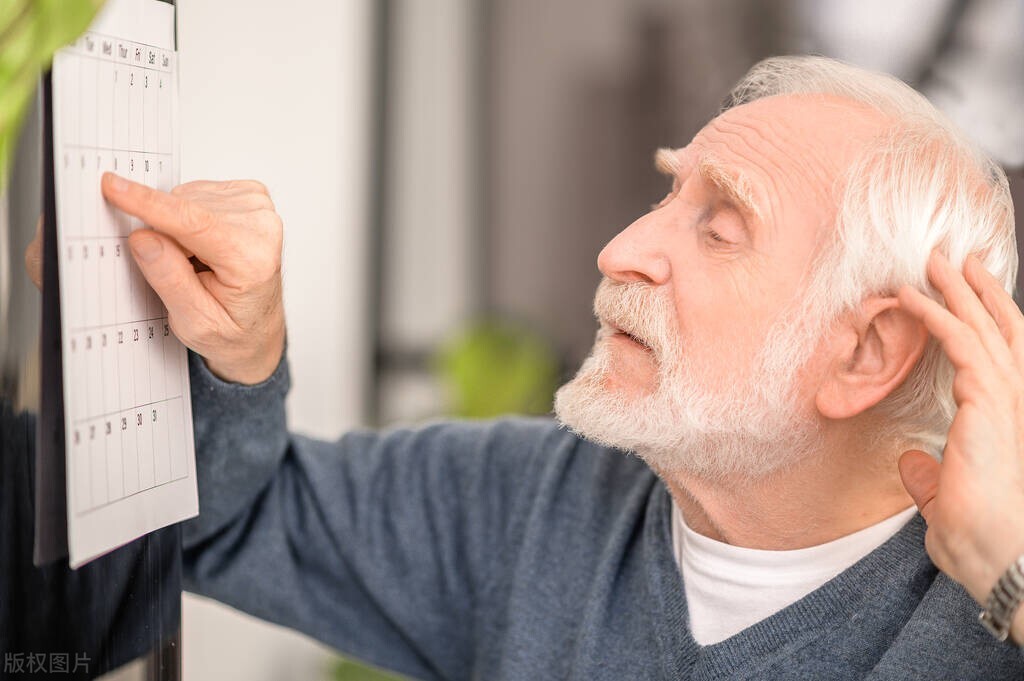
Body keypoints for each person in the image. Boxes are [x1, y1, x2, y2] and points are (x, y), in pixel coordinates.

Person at [26, 55, 1024, 679]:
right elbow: (222, 525)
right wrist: (239, 358)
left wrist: (1011, 581)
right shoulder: (538, 501)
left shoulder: (989, 612)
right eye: (666, 198)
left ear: (865, 353)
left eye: (719, 228)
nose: (620, 249)